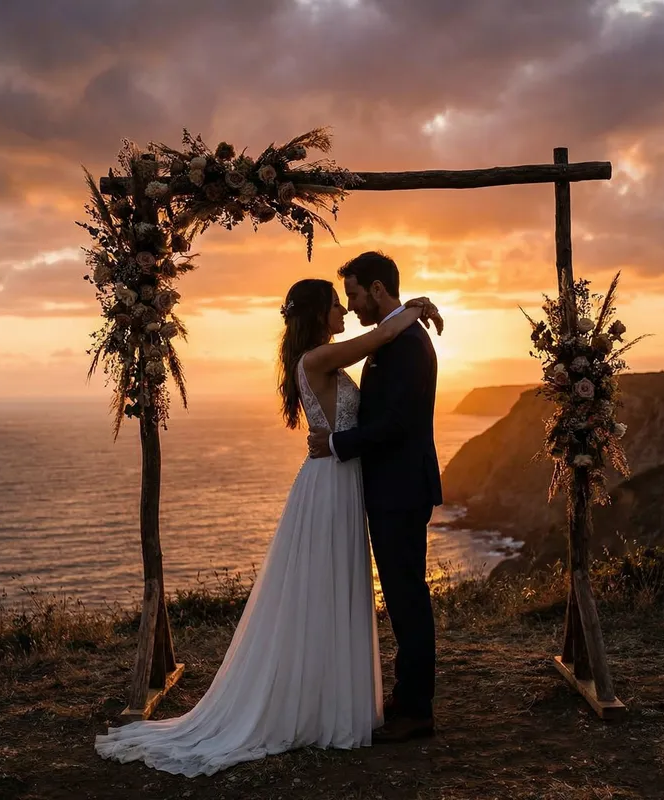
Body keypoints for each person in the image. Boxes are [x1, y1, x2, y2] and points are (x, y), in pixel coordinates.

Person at [95, 276, 442, 776]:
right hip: (328, 485)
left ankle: (332, 696)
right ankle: (319, 701)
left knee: (335, 588)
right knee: (323, 588)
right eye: (336, 306)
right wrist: (414, 308)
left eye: (349, 302)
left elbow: (377, 352)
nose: (344, 311)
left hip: (342, 481)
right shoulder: (316, 359)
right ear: (319, 313)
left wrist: (407, 309)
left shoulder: (318, 356)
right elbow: (380, 338)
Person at [308, 251, 443, 743]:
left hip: (402, 490)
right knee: (405, 597)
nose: (353, 305)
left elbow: (398, 423)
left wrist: (338, 444)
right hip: (392, 488)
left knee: (408, 599)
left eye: (355, 294)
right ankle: (409, 699)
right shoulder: (393, 338)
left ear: (379, 289)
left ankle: (416, 710)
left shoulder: (407, 343)